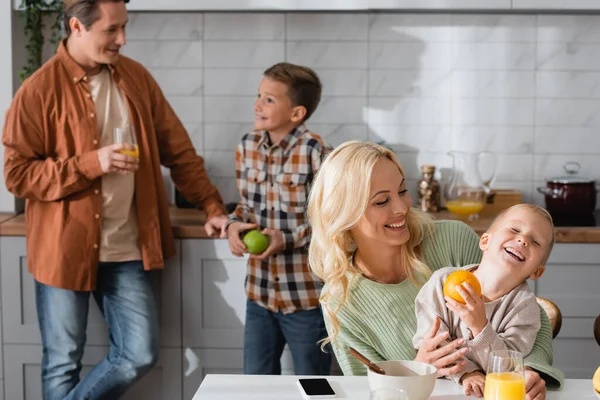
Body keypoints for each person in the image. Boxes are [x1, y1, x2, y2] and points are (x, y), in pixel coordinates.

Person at [2, 0, 228, 398]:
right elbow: (17, 175)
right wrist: (91, 163)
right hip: (63, 248)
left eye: (124, 27)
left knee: (138, 354)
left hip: (126, 249)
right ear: (77, 27)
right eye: (112, 30)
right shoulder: (38, 90)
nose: (123, 39)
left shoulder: (135, 78)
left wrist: (212, 206)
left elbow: (179, 151)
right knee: (61, 360)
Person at [307, 141, 563, 400]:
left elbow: (527, 313)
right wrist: (418, 368)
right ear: (343, 214)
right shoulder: (340, 300)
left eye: (403, 191)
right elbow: (365, 389)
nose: (401, 208)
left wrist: (526, 370)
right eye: (382, 201)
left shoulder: (453, 238)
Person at [226, 62, 331, 375]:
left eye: (269, 99)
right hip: (259, 295)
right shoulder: (246, 147)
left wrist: (284, 240)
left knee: (314, 389)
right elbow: (246, 206)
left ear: (297, 113)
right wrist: (233, 224)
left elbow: (331, 221)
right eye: (259, 95)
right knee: (256, 388)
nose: (257, 105)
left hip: (306, 298)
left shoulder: (317, 151)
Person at [413, 204, 556, 398]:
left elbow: (509, 369)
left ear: (536, 271)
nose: (523, 240)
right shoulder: (441, 282)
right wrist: (466, 373)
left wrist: (480, 326)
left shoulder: (525, 308)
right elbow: (432, 343)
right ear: (485, 241)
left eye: (536, 241)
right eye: (514, 229)